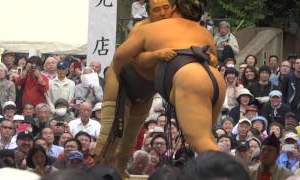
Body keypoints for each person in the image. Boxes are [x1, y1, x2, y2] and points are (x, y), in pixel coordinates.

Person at [96, 0, 226, 174]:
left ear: (173, 9)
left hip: (161, 83)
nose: (162, 13)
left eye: (166, 8)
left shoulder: (156, 30)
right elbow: (120, 60)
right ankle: (101, 172)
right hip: (129, 81)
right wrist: (119, 82)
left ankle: (229, 173)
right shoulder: (144, 27)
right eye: (157, 10)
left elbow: (213, 57)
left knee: (131, 138)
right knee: (111, 137)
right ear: (148, 13)